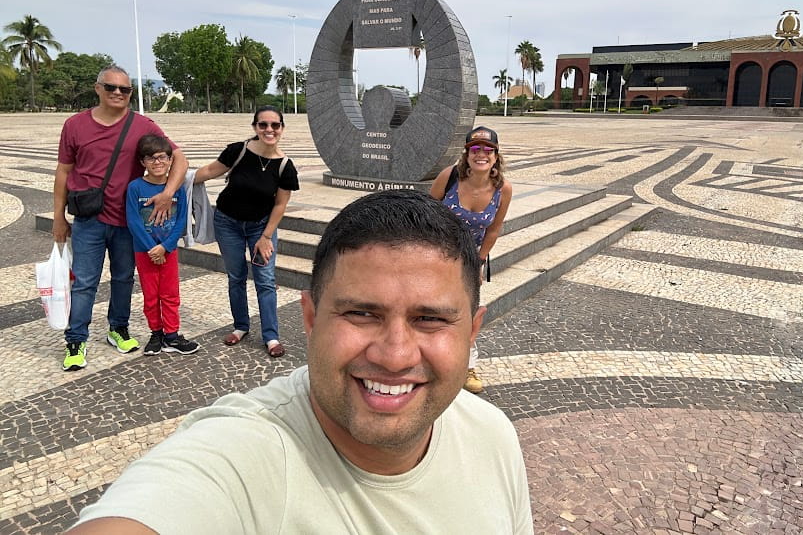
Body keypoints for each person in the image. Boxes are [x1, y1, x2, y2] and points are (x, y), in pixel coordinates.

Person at [68, 190, 532, 534]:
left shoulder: (493, 437)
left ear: (472, 332)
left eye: (429, 319)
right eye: (360, 313)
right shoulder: (244, 456)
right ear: (309, 319)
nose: (394, 355)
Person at [54, 66, 188, 372]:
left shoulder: (141, 125)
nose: (118, 93)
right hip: (89, 219)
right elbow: (63, 171)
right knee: (85, 281)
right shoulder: (75, 125)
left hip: (126, 221)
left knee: (124, 278)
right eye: (111, 87)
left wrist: (167, 193)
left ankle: (118, 328)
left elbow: (179, 157)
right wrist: (58, 217)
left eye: (124, 90)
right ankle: (76, 340)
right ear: (97, 88)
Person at [193, 106, 299, 358]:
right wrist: (171, 183)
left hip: (261, 228)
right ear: (255, 127)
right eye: (263, 125)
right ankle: (241, 326)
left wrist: (265, 237)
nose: (269, 130)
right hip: (227, 222)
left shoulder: (285, 166)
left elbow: (280, 204)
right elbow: (208, 172)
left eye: (275, 125)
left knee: (265, 280)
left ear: (282, 128)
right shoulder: (237, 151)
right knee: (236, 276)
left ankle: (271, 336)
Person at [430, 126, 513, 394]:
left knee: (464, 312)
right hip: (436, 255)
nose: (481, 154)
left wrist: (478, 261)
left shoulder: (503, 189)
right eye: (475, 148)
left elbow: (494, 230)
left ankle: (467, 365)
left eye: (487, 149)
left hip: (468, 259)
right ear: (466, 154)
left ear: (496, 156)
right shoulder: (449, 178)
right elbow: (425, 213)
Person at [126, 134, 199, 356]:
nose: (157, 163)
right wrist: (152, 248)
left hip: (169, 250)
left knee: (170, 294)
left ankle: (172, 335)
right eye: (151, 158)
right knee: (150, 295)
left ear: (170, 160)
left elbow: (181, 221)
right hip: (144, 251)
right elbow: (133, 221)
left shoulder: (176, 187)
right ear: (142, 162)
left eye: (162, 158)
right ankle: (156, 333)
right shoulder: (135, 188)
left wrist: (166, 247)